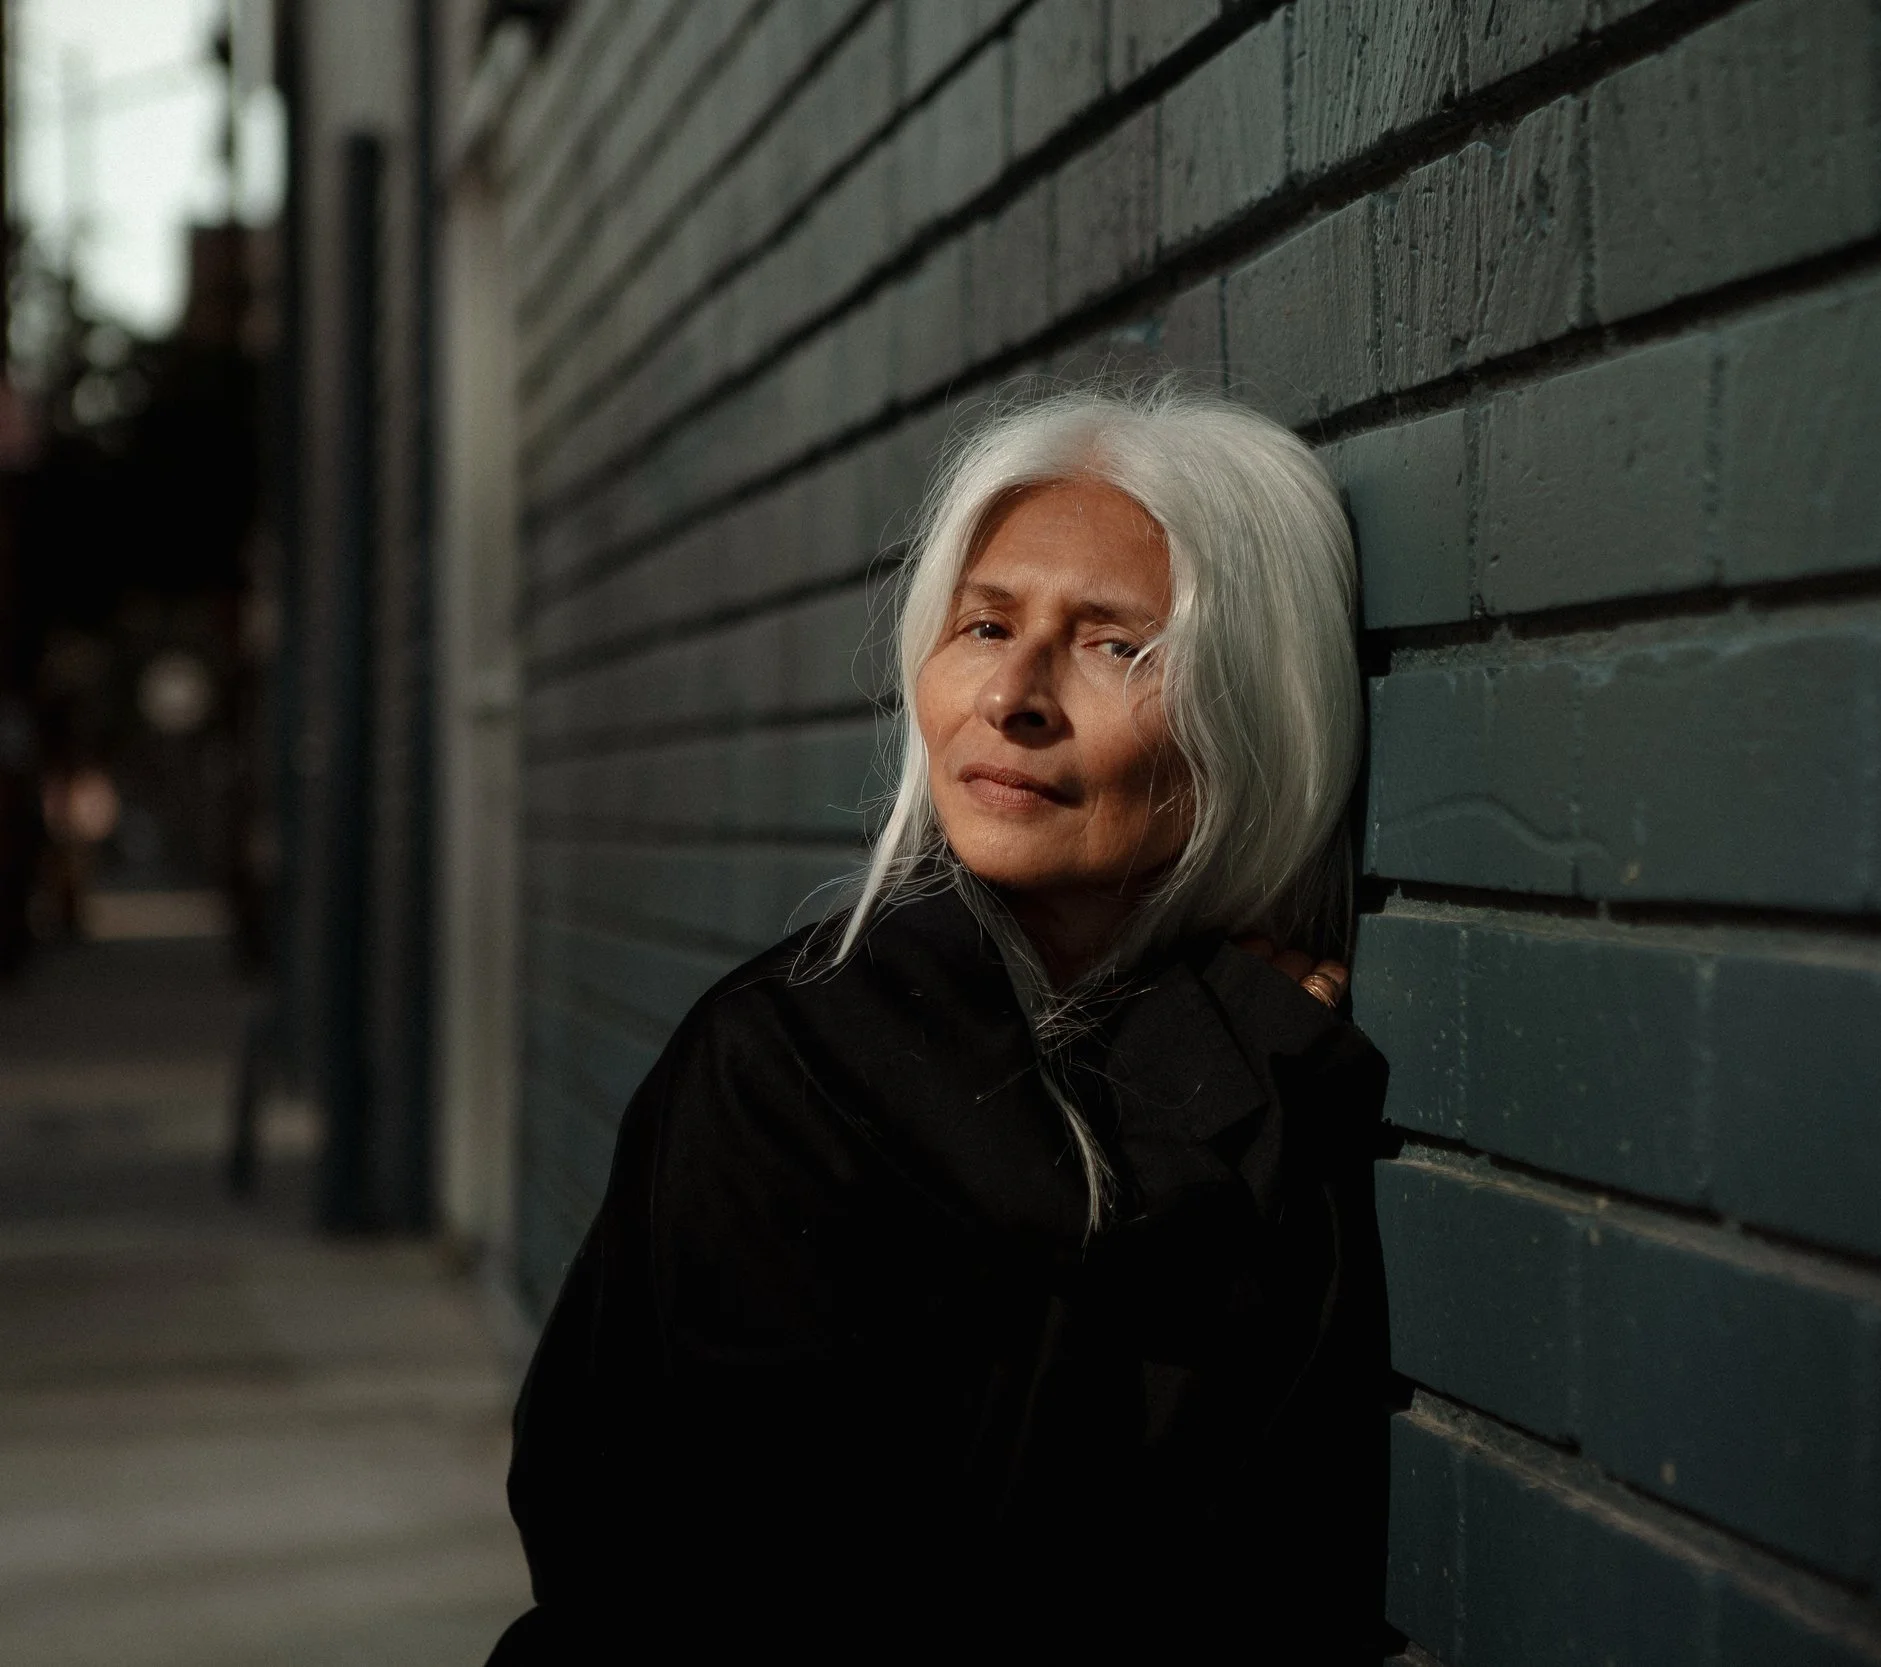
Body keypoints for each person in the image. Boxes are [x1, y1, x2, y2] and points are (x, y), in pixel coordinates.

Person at [487, 383, 1391, 1663]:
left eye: (1113, 643)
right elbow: (906, 1568)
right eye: (984, 623)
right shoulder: (789, 1063)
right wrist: (1194, 1098)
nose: (1012, 693)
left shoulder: (1255, 1043)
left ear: (1257, 710)